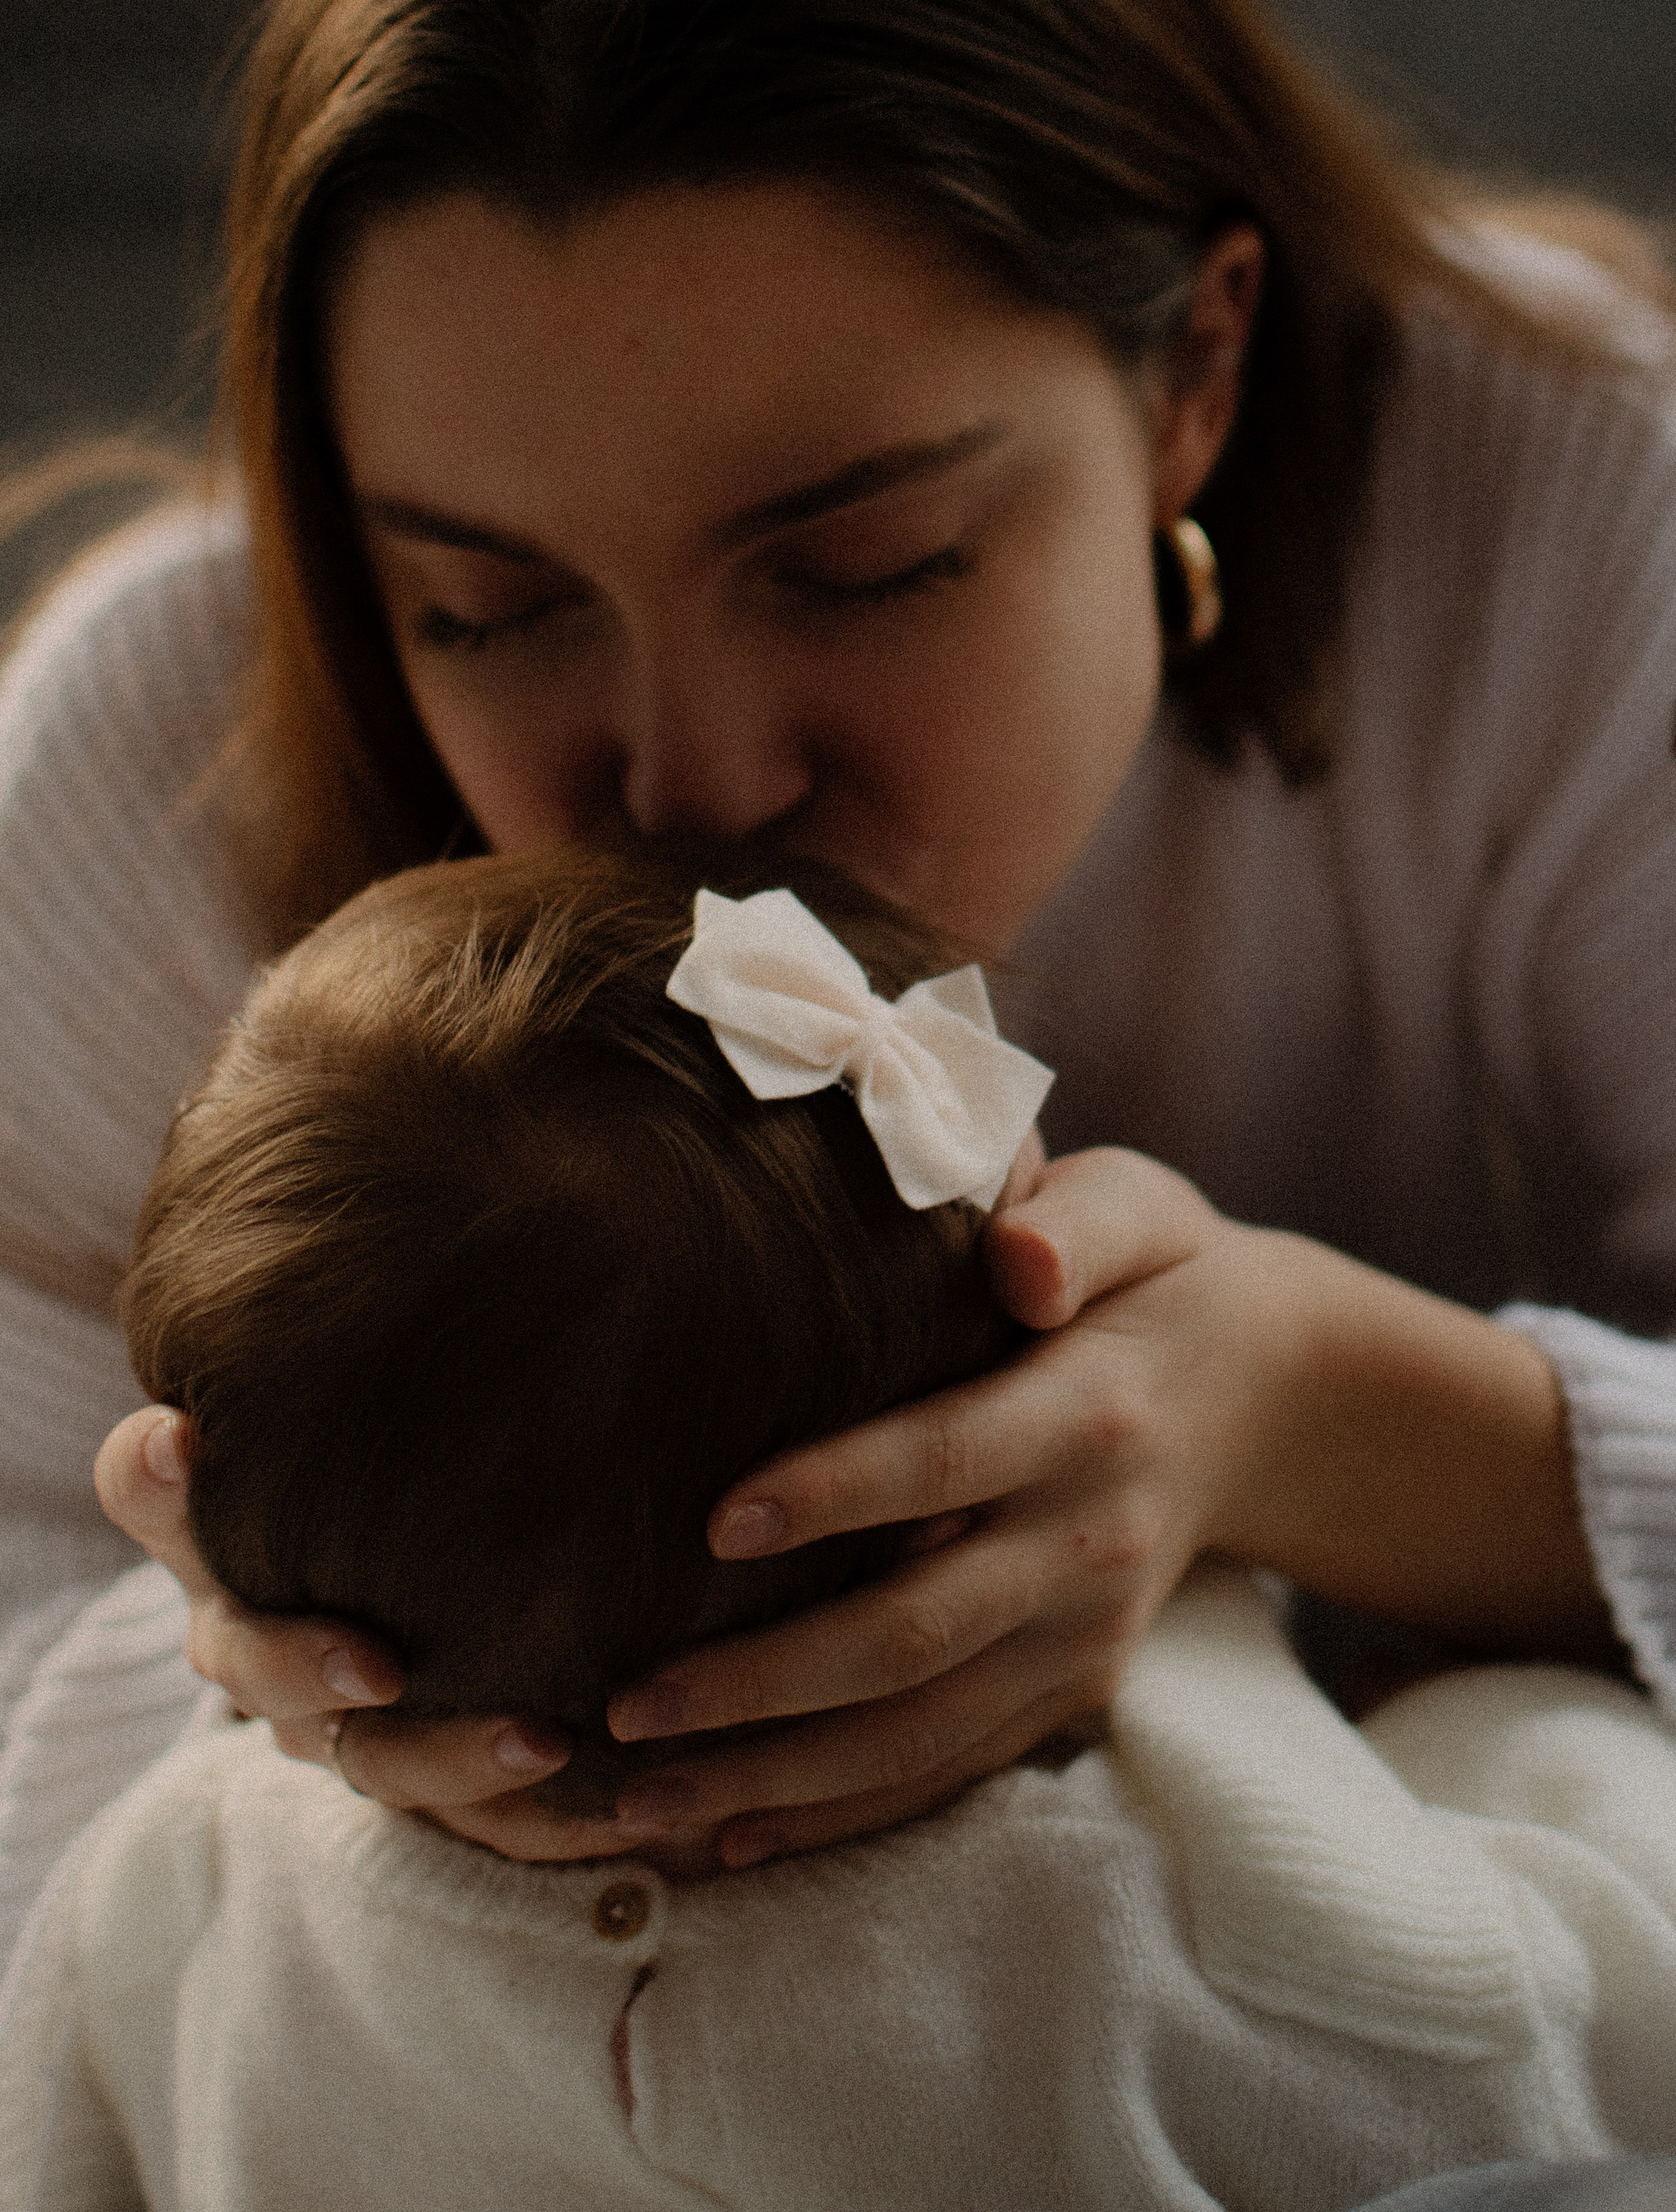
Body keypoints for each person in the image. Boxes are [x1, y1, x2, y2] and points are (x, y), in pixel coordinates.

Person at [1, 0, 1673, 2033]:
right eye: (482, 606)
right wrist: (272, 1680)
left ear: (1192, 372)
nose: (688, 784)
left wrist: (1321, 1414)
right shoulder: (145, 760)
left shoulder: (1592, 526)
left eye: (868, 560)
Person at [6, 845, 1676, 2211]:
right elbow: (1602, 2007)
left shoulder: (172, 1893)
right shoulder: (1258, 1969)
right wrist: (1472, 1709)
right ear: (973, 1498)